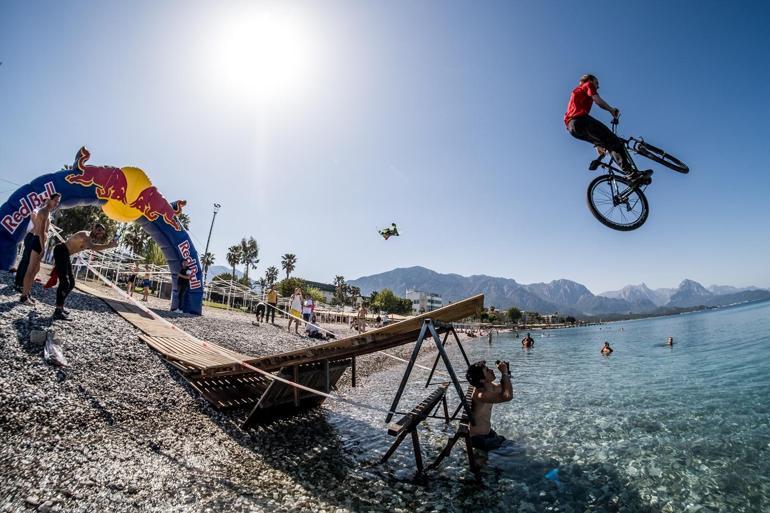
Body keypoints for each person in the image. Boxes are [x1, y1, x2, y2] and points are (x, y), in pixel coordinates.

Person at [564, 74, 651, 185]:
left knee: (607, 143)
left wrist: (597, 143)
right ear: (590, 80)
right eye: (597, 82)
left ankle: (631, 174)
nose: (598, 86)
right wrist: (611, 110)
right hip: (580, 120)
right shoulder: (588, 84)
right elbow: (597, 100)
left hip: (573, 128)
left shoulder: (576, 91)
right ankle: (631, 174)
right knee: (615, 142)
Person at [50, 224, 117, 320]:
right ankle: (58, 310)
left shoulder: (89, 239)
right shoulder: (86, 235)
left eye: (101, 233)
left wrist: (109, 245)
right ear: (93, 228)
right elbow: (93, 247)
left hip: (65, 254)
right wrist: (108, 245)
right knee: (65, 282)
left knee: (71, 283)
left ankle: (60, 306)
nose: (99, 234)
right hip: (61, 251)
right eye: (98, 230)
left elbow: (92, 246)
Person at [20, 193, 61, 304]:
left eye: (58, 201)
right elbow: (41, 232)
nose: (57, 203)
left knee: (35, 270)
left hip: (40, 242)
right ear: (49, 200)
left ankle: (27, 293)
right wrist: (43, 248)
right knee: (30, 270)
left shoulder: (47, 212)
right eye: (55, 200)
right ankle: (24, 296)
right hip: (38, 242)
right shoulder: (44, 211)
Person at [465, 360, 514, 451]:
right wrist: (504, 373)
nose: (491, 370)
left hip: (487, 433)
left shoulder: (489, 387)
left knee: (514, 446)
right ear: (482, 380)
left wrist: (507, 371)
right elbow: (508, 396)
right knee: (517, 453)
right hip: (479, 439)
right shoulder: (481, 394)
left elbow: (504, 388)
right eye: (487, 370)